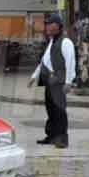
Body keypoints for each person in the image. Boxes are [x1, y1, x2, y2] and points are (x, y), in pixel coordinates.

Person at [28, 12, 76, 149]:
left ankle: (62, 139)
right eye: (47, 24)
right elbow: (45, 60)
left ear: (59, 26)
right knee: (51, 110)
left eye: (51, 24)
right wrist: (34, 76)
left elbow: (70, 63)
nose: (47, 26)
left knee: (60, 111)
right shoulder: (51, 41)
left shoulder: (66, 42)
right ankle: (51, 136)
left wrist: (69, 82)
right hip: (49, 81)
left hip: (59, 82)